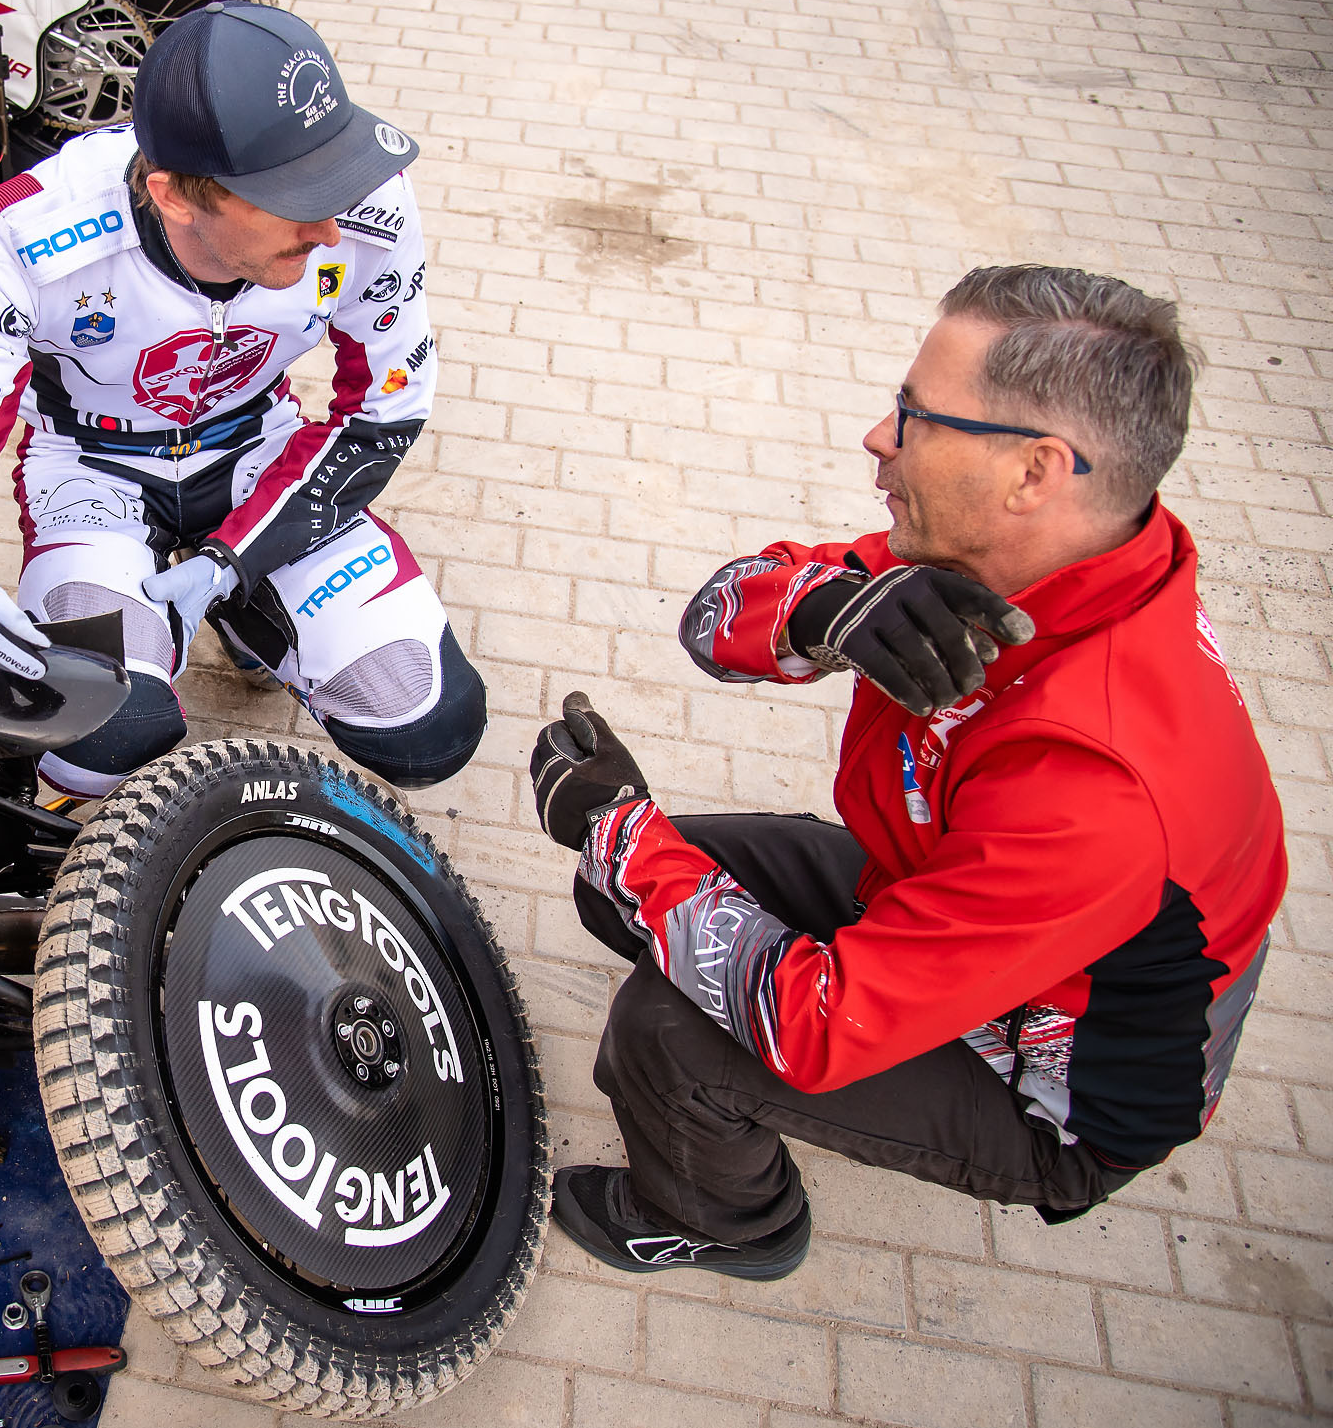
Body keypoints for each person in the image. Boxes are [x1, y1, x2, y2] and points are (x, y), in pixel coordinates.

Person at [526, 266, 1285, 1281]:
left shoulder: (1096, 786)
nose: (879, 439)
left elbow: (816, 1028)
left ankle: (727, 1220)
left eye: (914, 416)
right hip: (938, 894)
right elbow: (712, 622)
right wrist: (821, 610)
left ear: (1035, 473)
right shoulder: (1036, 565)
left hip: (1046, 1082)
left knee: (666, 1028)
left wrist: (619, 826)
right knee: (626, 892)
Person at [0, 1, 485, 796]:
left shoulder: (371, 203)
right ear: (175, 196)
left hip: (261, 448)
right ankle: (187, 610)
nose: (334, 226)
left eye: (337, 170)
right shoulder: (25, 230)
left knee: (430, 724)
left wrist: (235, 560)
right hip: (92, 469)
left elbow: (383, 413)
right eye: (296, 197)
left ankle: (245, 611)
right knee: (93, 743)